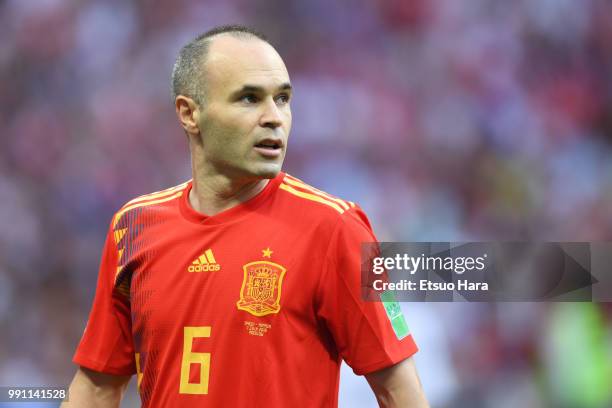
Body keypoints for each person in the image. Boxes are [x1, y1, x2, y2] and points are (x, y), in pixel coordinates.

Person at [62, 25, 429, 407]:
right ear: (190, 113)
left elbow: (399, 392)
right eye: (249, 99)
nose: (275, 117)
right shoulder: (134, 226)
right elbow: (96, 387)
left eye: (283, 99)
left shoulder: (337, 228)